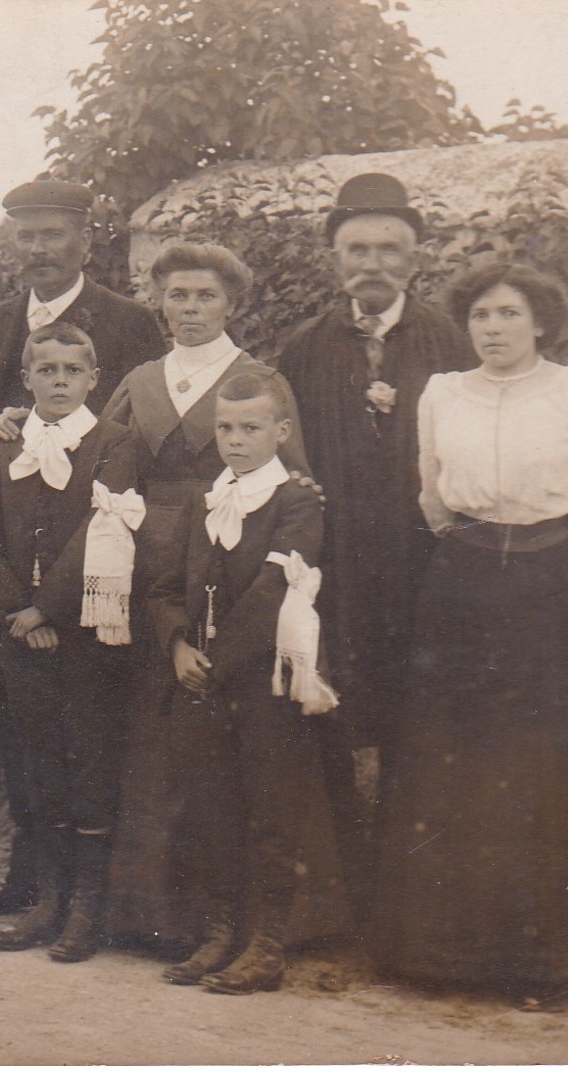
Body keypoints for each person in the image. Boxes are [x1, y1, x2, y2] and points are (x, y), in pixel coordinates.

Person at [372, 262, 568, 1008]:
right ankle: (442, 954)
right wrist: (469, 549)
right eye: (481, 317)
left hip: (548, 585)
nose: (493, 329)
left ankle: (551, 961)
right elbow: (428, 488)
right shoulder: (441, 394)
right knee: (453, 761)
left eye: (508, 314)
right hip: (459, 584)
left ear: (538, 323)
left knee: (545, 768)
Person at [99, 243, 347, 959]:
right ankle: (161, 915)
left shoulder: (256, 381)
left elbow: (290, 487)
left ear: (231, 303)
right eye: (177, 295)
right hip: (159, 569)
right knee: (166, 744)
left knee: (247, 757)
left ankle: (264, 926)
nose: (190, 309)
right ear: (159, 302)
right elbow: (104, 463)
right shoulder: (142, 379)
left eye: (205, 296)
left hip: (239, 581)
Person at [0, 180, 165, 916]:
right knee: (22, 724)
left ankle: (91, 893)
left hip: (88, 566)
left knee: (89, 734)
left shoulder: (129, 324)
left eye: (51, 234)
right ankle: (26, 878)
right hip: (10, 564)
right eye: (24, 236)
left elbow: (136, 448)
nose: (36, 249)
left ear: (84, 241)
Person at [274, 173, 470, 913]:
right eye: (356, 249)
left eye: (390, 249)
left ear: (415, 259)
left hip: (425, 559)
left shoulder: (450, 340)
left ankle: (410, 890)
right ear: (333, 259)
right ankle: (337, 884)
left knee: (416, 717)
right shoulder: (303, 348)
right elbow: (283, 457)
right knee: (330, 709)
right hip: (337, 561)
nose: (373, 264)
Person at [145, 370, 339, 994]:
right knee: (210, 804)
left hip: (263, 682)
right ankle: (220, 932)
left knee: (271, 806)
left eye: (251, 428)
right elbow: (164, 584)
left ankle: (269, 942)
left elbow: (271, 592)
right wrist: (177, 644)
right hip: (199, 677)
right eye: (225, 428)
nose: (236, 440)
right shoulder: (206, 497)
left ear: (280, 432)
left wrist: (217, 660)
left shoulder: (297, 502)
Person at [0, 322, 142, 962]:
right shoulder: (6, 445)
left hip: (88, 633)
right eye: (48, 370)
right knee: (40, 762)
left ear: (94, 379)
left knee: (90, 764)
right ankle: (47, 902)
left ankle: (87, 912)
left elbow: (101, 535)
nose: (60, 381)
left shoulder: (114, 443)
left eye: (73, 371)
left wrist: (47, 609)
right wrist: (17, 610)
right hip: (22, 635)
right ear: (28, 378)